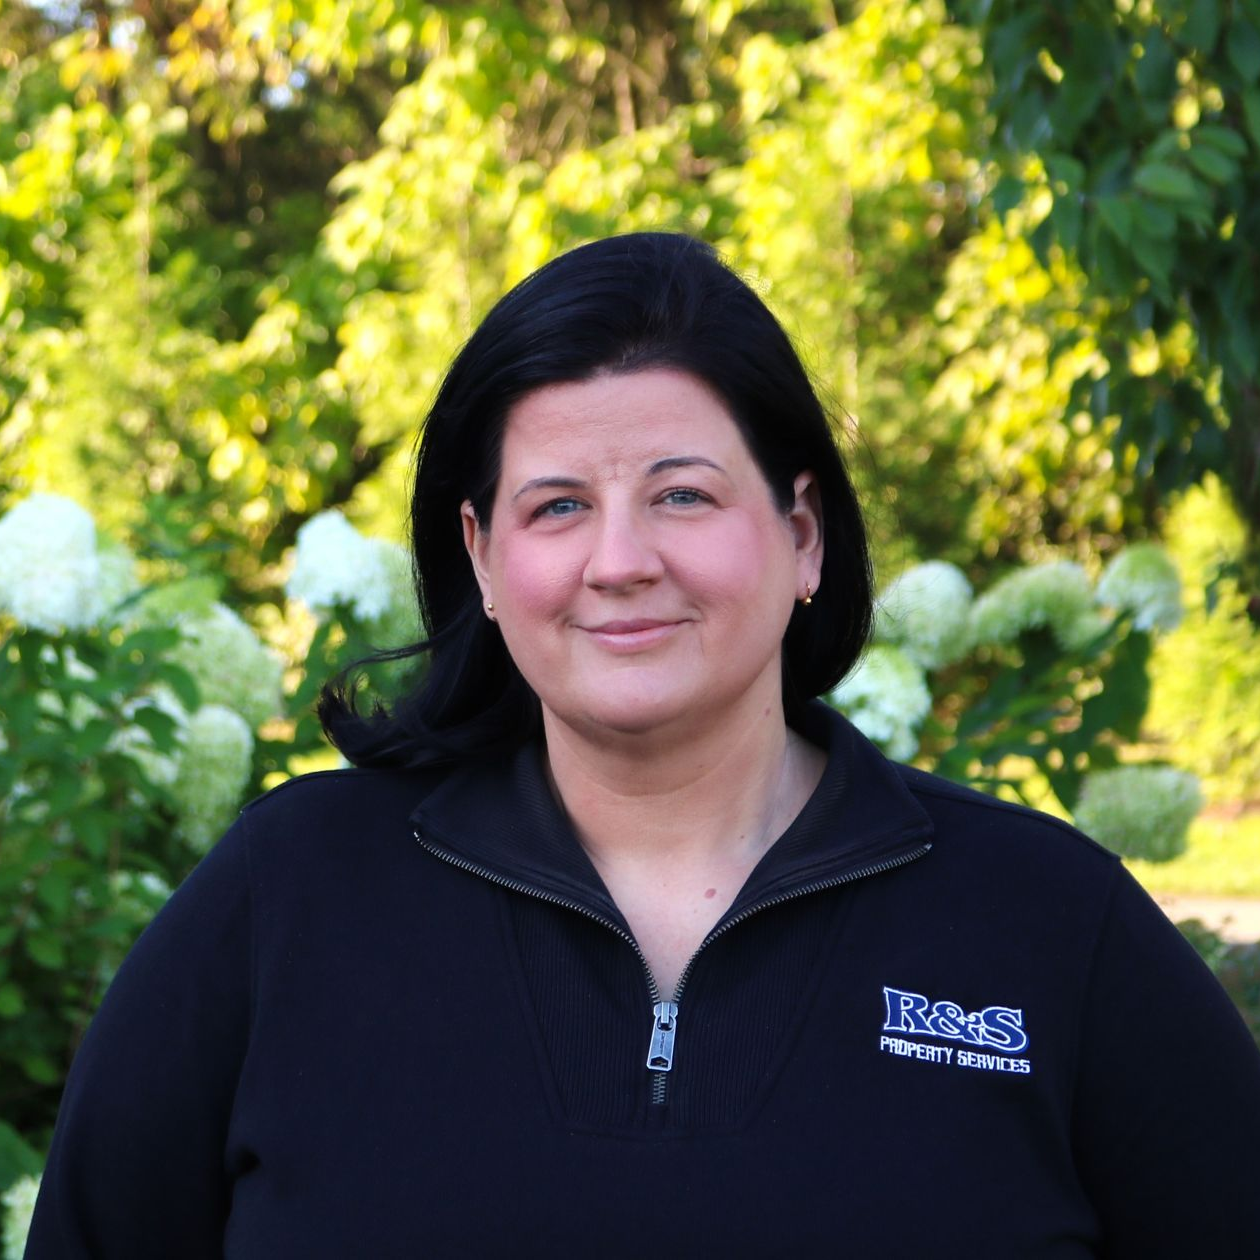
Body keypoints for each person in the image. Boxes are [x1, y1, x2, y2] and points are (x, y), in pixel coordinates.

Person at [26, 233, 1260, 1258]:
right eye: (558, 506)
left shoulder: (1046, 926)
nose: (620, 561)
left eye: (682, 493)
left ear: (804, 534)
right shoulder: (286, 899)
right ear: (484, 561)